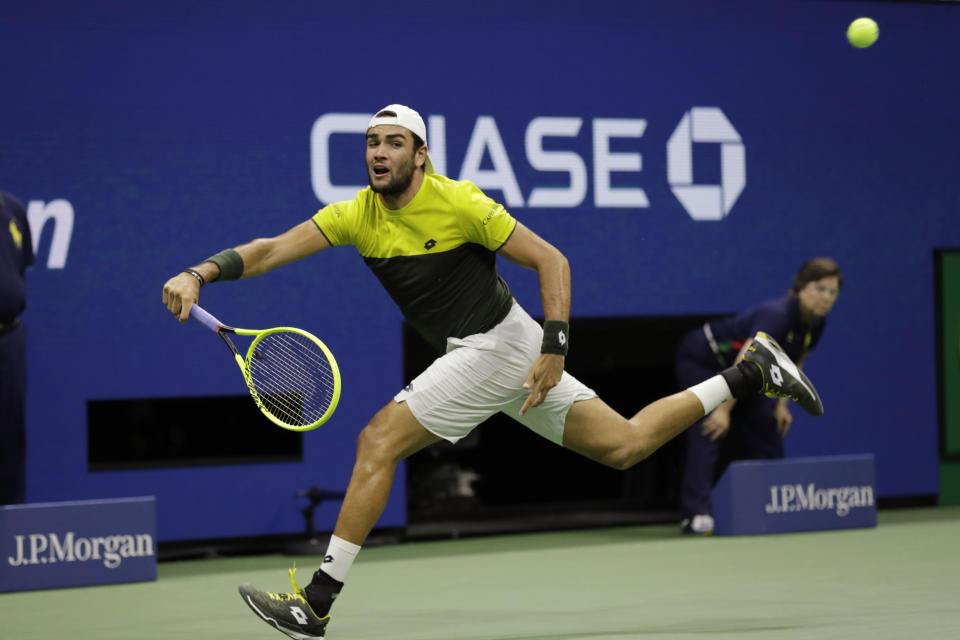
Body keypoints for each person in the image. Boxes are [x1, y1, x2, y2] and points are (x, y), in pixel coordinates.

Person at [162, 104, 823, 640]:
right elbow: (273, 248)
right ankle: (748, 372)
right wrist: (200, 272)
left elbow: (552, 260)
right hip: (487, 350)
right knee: (625, 445)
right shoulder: (355, 214)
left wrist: (555, 345)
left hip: (496, 345)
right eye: (372, 143)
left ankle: (318, 602)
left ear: (421, 154)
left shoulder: (459, 202)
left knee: (377, 442)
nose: (379, 153)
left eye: (394, 143)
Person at [674, 257, 842, 535]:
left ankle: (777, 506)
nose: (827, 297)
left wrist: (782, 406)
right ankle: (696, 515)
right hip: (704, 358)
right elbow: (745, 364)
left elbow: (795, 361)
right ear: (801, 287)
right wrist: (723, 410)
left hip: (750, 373)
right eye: (820, 288)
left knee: (768, 428)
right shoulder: (777, 315)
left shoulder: (817, 323)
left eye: (833, 292)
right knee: (709, 427)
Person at [0, 190, 34, 505]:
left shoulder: (13, 209)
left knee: (10, 448)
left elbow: (16, 275)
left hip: (9, 341)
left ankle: (10, 539)